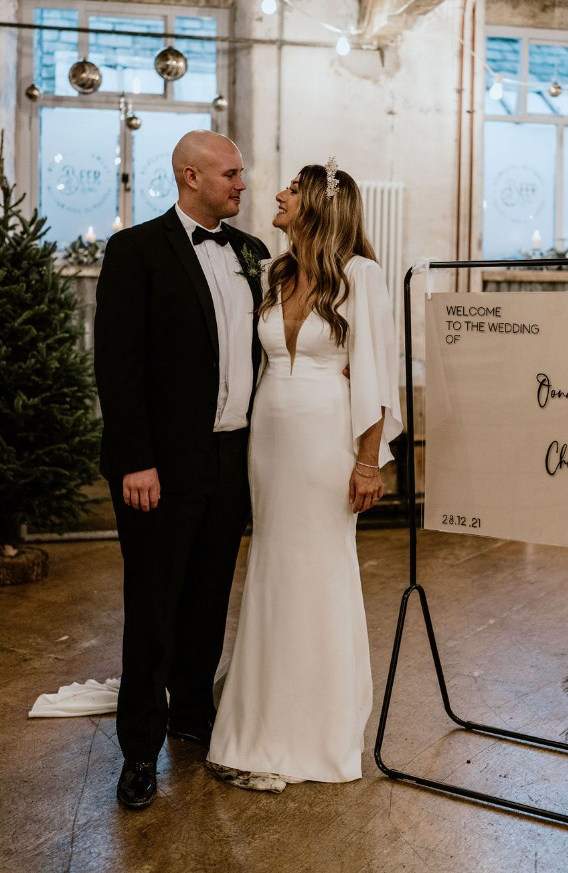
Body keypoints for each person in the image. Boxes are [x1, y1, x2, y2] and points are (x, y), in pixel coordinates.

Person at [206, 158, 402, 792]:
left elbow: (374, 372)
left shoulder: (361, 276)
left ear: (319, 203)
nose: (279, 194)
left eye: (292, 188)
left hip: (326, 439)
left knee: (320, 570)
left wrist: (368, 461)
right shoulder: (273, 271)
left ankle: (316, 727)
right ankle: (258, 717)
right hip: (270, 438)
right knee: (271, 567)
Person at [94, 130, 269, 809]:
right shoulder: (135, 251)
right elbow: (118, 365)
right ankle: (140, 748)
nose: (242, 184)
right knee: (154, 605)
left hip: (231, 456)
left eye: (241, 173)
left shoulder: (252, 253)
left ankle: (193, 713)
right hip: (160, 465)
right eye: (231, 174)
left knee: (209, 595)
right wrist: (136, 459)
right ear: (190, 177)